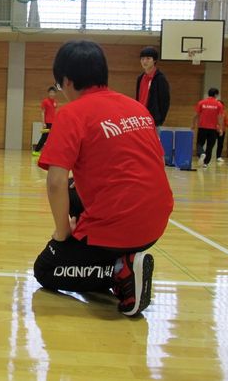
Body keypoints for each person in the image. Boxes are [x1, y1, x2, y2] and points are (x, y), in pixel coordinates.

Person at [33, 40, 173, 317]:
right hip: (156, 223)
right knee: (75, 193)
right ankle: (122, 259)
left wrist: (62, 234)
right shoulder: (137, 108)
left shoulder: (72, 113)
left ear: (68, 81)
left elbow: (55, 182)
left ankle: (120, 272)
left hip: (120, 228)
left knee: (45, 270)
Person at [136, 47, 170, 126]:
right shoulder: (140, 78)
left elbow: (165, 101)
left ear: (154, 60)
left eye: (148, 58)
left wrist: (159, 120)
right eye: (142, 59)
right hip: (140, 119)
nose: (144, 61)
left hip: (153, 121)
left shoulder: (160, 78)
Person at [192, 88, 224, 168]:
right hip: (213, 129)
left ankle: (202, 153)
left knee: (199, 144)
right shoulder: (219, 104)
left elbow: (195, 115)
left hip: (202, 127)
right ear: (216, 95)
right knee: (210, 146)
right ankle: (205, 163)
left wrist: (193, 124)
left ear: (208, 94)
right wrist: (220, 128)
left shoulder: (201, 103)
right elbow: (220, 117)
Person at [32, 86, 58, 156]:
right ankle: (36, 151)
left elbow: (54, 112)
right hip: (47, 123)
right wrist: (43, 123)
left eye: (53, 92)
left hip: (53, 123)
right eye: (50, 92)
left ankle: (49, 152)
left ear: (55, 93)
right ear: (48, 93)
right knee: (44, 138)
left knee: (52, 138)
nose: (52, 94)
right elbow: (43, 112)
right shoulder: (45, 101)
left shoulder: (55, 102)